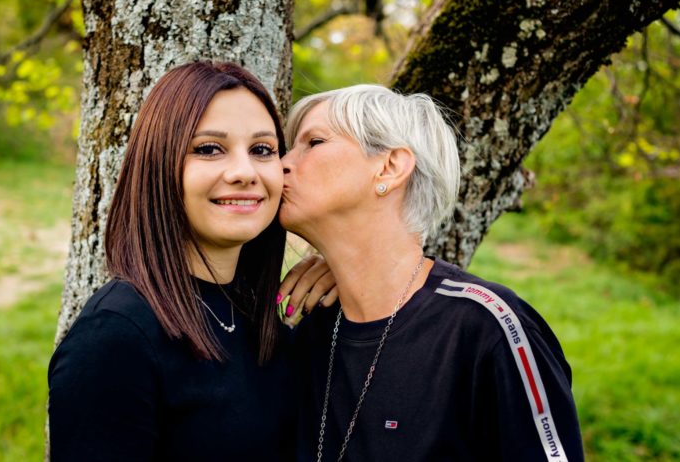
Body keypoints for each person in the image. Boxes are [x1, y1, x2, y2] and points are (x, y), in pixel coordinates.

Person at [47, 61, 335, 461]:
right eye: (209, 149)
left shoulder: (261, 314)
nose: (244, 171)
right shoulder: (117, 337)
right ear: (160, 165)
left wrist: (343, 267)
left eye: (262, 150)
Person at [280, 84, 585, 461]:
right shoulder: (310, 329)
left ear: (390, 167)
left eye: (313, 142)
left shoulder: (488, 327)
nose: (282, 163)